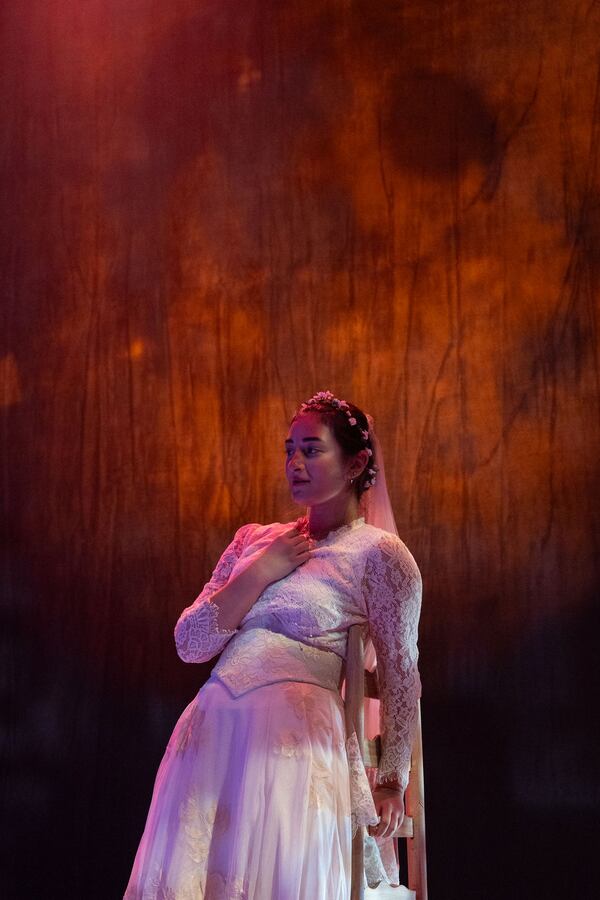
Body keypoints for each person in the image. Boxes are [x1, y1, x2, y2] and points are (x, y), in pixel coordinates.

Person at [123, 389, 422, 899]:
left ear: (356, 463)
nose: (295, 463)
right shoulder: (255, 540)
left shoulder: (379, 555)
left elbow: (399, 672)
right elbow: (190, 644)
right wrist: (260, 569)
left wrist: (393, 779)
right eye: (290, 450)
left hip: (294, 743)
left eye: (311, 449)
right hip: (216, 733)